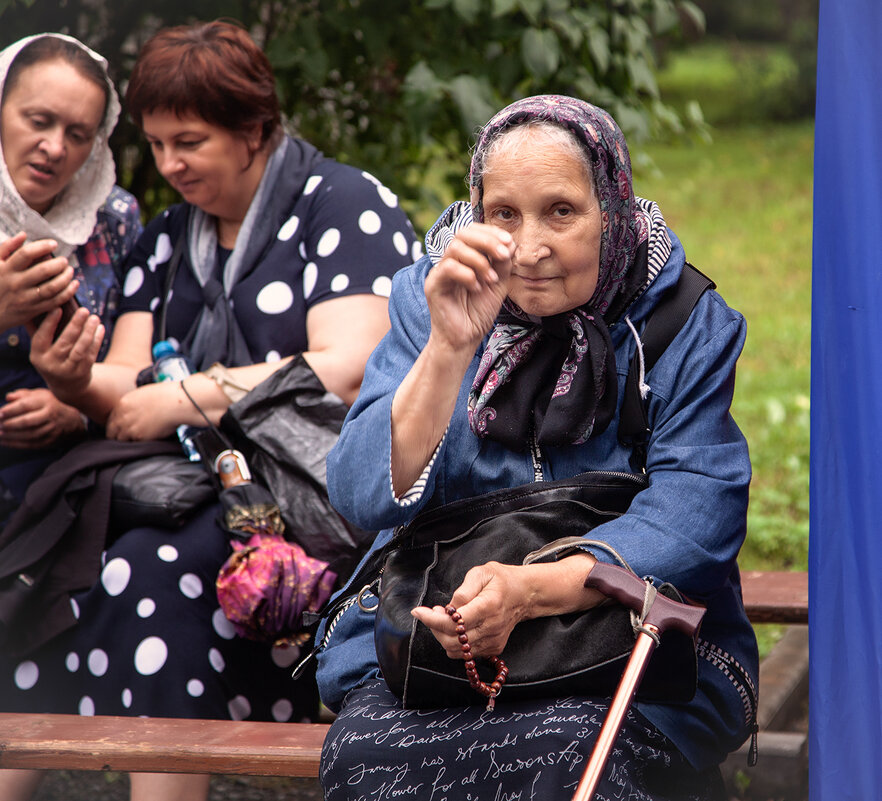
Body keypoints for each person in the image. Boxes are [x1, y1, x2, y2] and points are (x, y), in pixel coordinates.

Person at [1, 20, 419, 801]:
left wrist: (188, 392)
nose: (170, 164)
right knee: (53, 558)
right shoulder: (166, 240)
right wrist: (75, 383)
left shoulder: (341, 204)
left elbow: (350, 369)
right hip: (198, 494)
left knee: (143, 570)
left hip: (319, 502)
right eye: (156, 145)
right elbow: (125, 395)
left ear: (254, 130)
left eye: (188, 141)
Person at [316, 95, 759, 800]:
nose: (529, 248)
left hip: (624, 647)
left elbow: (699, 512)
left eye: (561, 211)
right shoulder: (429, 297)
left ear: (611, 210)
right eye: (504, 215)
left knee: (566, 751)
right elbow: (361, 493)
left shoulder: (681, 321)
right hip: (438, 651)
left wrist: (530, 591)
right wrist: (448, 348)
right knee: (367, 760)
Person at [0, 33, 141, 527]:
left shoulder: (114, 219)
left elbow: (140, 362)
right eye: (38, 121)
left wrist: (76, 406)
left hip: (74, 479)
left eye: (78, 134)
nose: (54, 147)